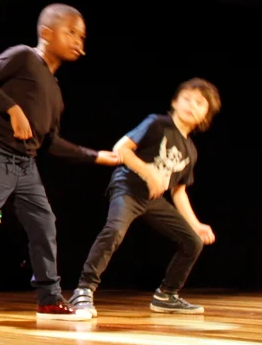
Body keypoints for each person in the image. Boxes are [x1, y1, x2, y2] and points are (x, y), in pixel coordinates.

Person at [0, 3, 119, 320]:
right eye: (71, 32)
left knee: (44, 224)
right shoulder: (24, 55)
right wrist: (13, 109)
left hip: (25, 163)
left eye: (81, 36)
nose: (78, 41)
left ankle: (49, 299)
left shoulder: (55, 91)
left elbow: (51, 142)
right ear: (46, 33)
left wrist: (95, 156)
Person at [70, 79, 221, 316]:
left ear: (205, 115)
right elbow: (121, 149)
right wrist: (148, 172)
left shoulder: (190, 151)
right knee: (114, 230)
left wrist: (196, 224)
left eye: (199, 103)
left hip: (152, 199)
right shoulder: (157, 124)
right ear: (174, 102)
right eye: (187, 99)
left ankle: (166, 295)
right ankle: (84, 289)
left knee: (193, 241)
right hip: (128, 187)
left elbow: (179, 191)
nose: (192, 105)